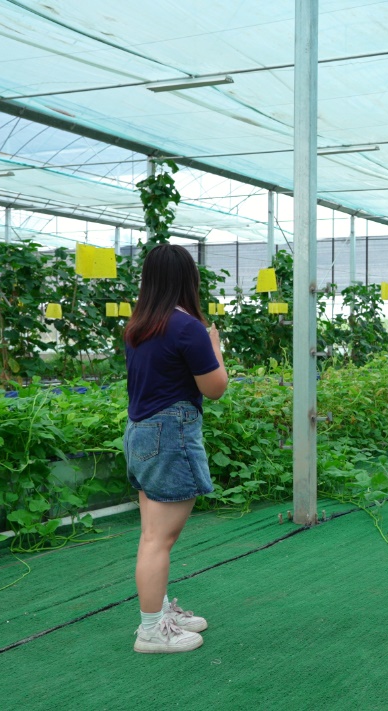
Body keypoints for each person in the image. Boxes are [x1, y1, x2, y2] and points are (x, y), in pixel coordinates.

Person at [123, 244, 228, 653]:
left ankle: (158, 612)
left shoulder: (139, 325)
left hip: (141, 433)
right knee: (158, 540)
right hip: (170, 433)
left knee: (151, 534)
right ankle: (151, 631)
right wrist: (215, 347)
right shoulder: (187, 327)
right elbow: (214, 388)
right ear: (190, 280)